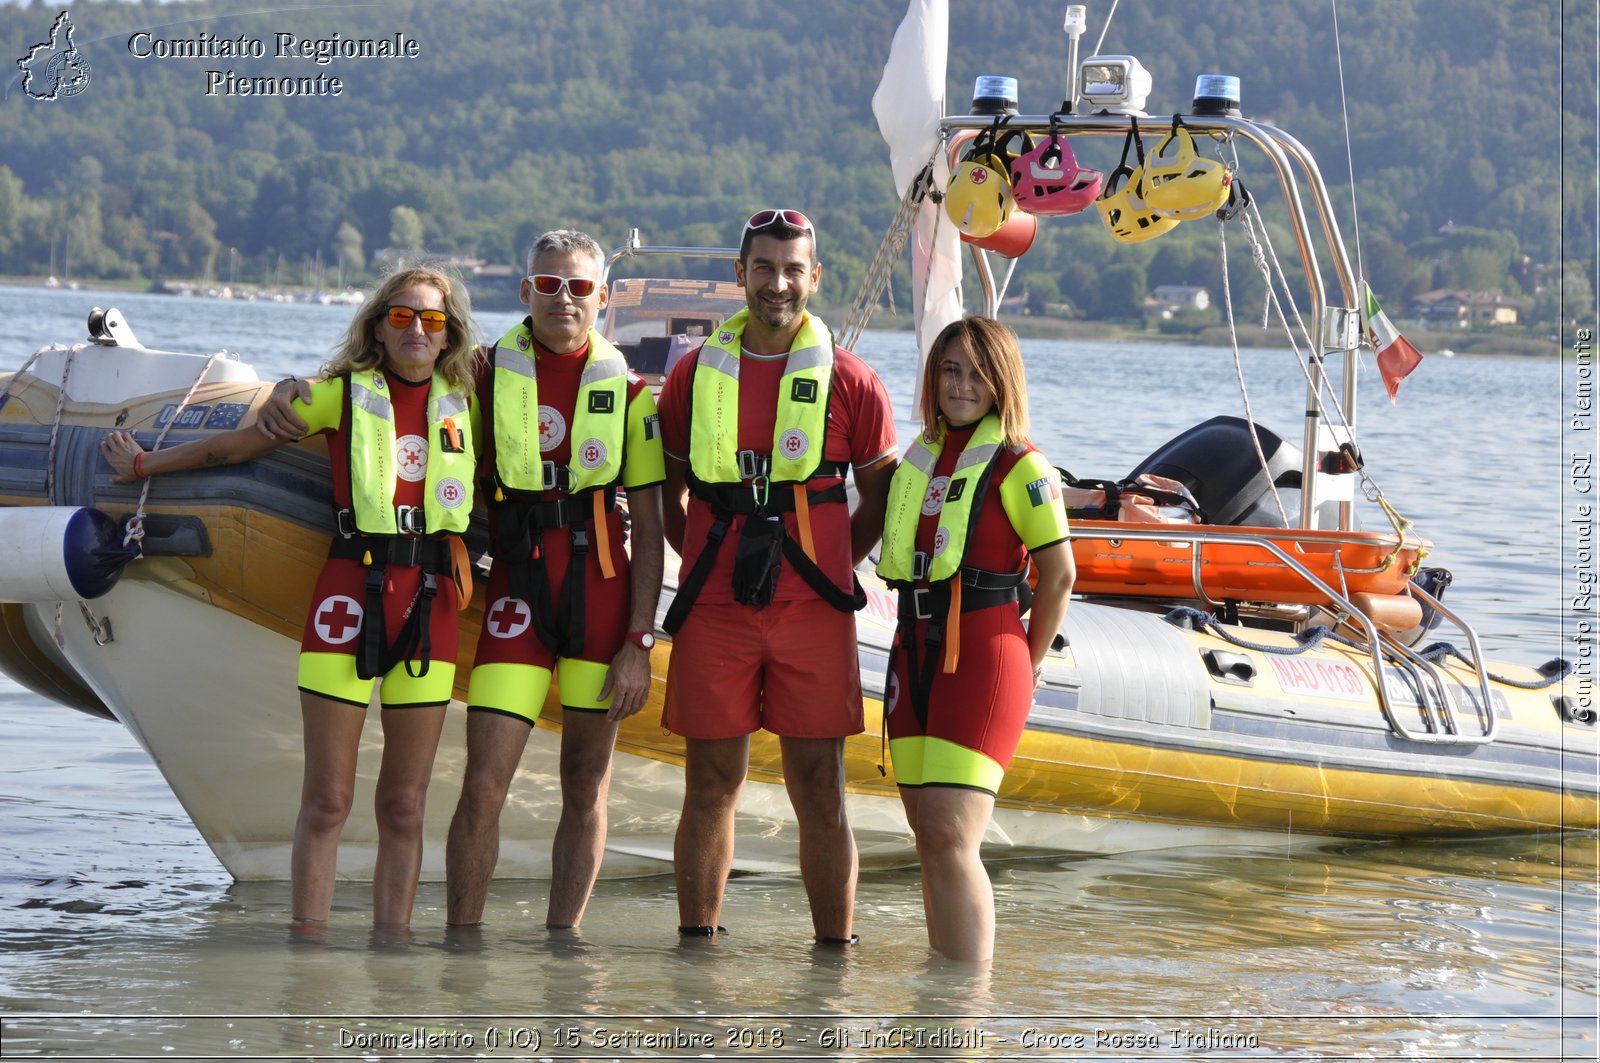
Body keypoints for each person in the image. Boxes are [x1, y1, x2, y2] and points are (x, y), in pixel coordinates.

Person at [258, 231, 664, 932]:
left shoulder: (631, 396)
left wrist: (639, 638)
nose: (562, 298)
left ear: (604, 296)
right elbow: (394, 403)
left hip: (601, 596)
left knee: (583, 786)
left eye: (577, 286)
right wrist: (288, 391)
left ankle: (562, 944)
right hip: (515, 597)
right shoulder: (477, 377)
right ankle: (461, 949)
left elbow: (653, 528)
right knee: (482, 786)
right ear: (525, 291)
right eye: (547, 284)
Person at [101, 266, 480, 931]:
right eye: (401, 317)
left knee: (404, 804)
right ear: (377, 328)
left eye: (432, 318)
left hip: (429, 606)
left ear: (450, 333)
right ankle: (307, 963)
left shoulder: (469, 402)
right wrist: (144, 464)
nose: (417, 329)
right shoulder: (338, 397)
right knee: (328, 797)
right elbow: (237, 446)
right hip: (347, 598)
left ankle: (392, 957)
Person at [657, 208, 897, 943]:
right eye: (763, 267)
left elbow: (883, 497)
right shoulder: (693, 376)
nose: (778, 283)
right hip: (717, 608)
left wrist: (830, 569)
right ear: (739, 273)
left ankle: (835, 958)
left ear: (815, 278)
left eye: (794, 269)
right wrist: (699, 557)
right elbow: (668, 492)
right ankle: (697, 956)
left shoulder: (853, 382)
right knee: (710, 785)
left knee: (821, 788)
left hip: (813, 612)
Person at [875, 316, 1075, 963]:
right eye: (949, 369)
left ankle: (965, 1013)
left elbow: (1060, 573)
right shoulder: (921, 457)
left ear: (1002, 380)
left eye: (977, 371)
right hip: (914, 647)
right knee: (927, 834)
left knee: (952, 833)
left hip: (986, 653)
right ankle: (938, 999)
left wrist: (1030, 657)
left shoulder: (1021, 464)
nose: (962, 384)